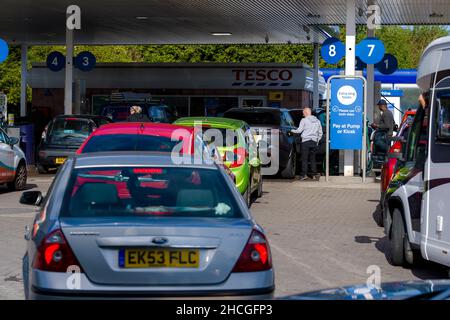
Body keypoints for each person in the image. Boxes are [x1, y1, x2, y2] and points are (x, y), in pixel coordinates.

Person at [291, 107, 323, 181]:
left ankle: (304, 175)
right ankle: (314, 174)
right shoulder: (317, 121)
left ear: (306, 113)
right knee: (312, 158)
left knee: (304, 159)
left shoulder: (304, 120)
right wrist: (317, 140)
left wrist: (292, 130)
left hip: (305, 141)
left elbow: (299, 130)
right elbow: (320, 132)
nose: (303, 114)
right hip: (314, 142)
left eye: (303, 113)